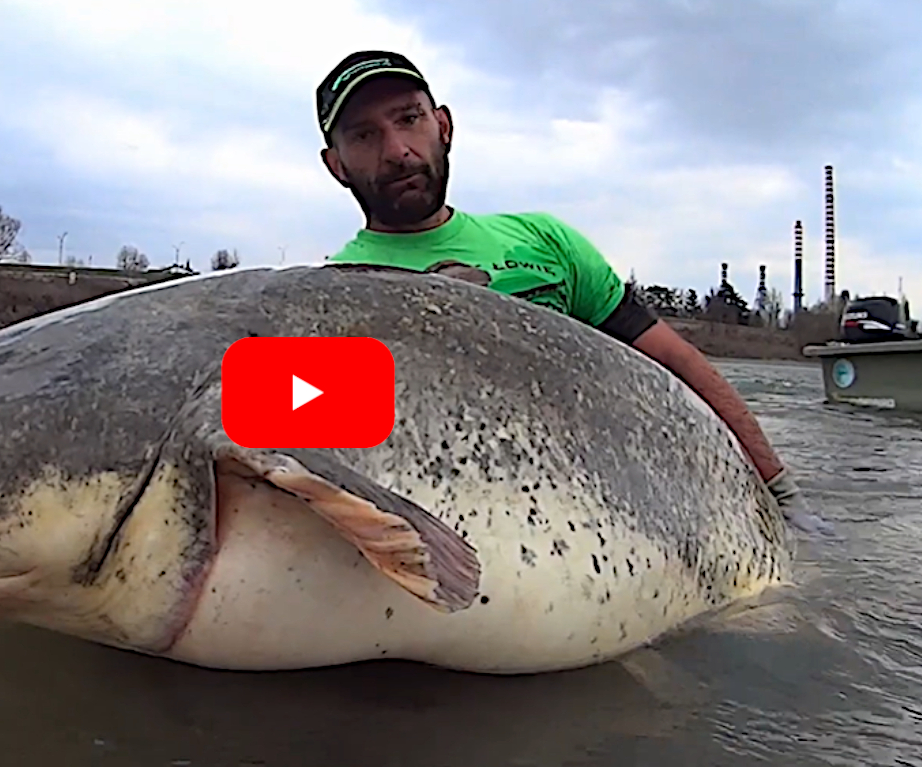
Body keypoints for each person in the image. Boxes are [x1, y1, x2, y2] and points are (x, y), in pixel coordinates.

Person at [315, 49, 830, 535]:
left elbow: (680, 365)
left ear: (443, 126)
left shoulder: (546, 241)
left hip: (626, 515)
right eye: (363, 136)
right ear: (335, 166)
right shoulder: (322, 304)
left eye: (409, 119)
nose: (397, 151)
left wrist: (781, 494)